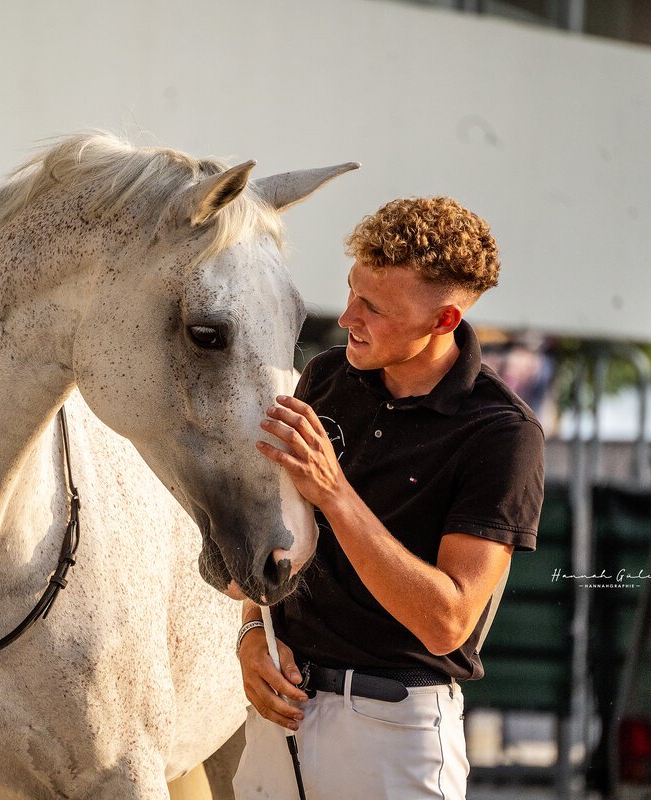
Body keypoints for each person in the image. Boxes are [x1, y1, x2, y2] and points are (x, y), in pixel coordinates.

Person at [233, 196, 545, 799]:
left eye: (374, 307)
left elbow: (446, 622)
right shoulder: (324, 376)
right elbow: (273, 553)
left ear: (444, 321)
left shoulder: (503, 433)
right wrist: (250, 637)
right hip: (280, 719)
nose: (348, 316)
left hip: (395, 732)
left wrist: (335, 494)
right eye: (352, 291)